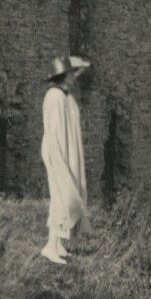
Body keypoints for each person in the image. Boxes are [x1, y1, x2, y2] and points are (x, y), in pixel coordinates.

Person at [40, 55, 92, 264]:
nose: (74, 78)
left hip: (67, 152)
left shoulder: (64, 95)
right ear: (63, 76)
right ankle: (50, 247)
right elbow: (54, 133)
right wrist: (61, 160)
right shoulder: (54, 97)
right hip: (58, 152)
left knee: (68, 195)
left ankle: (58, 244)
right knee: (61, 196)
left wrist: (81, 67)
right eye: (70, 74)